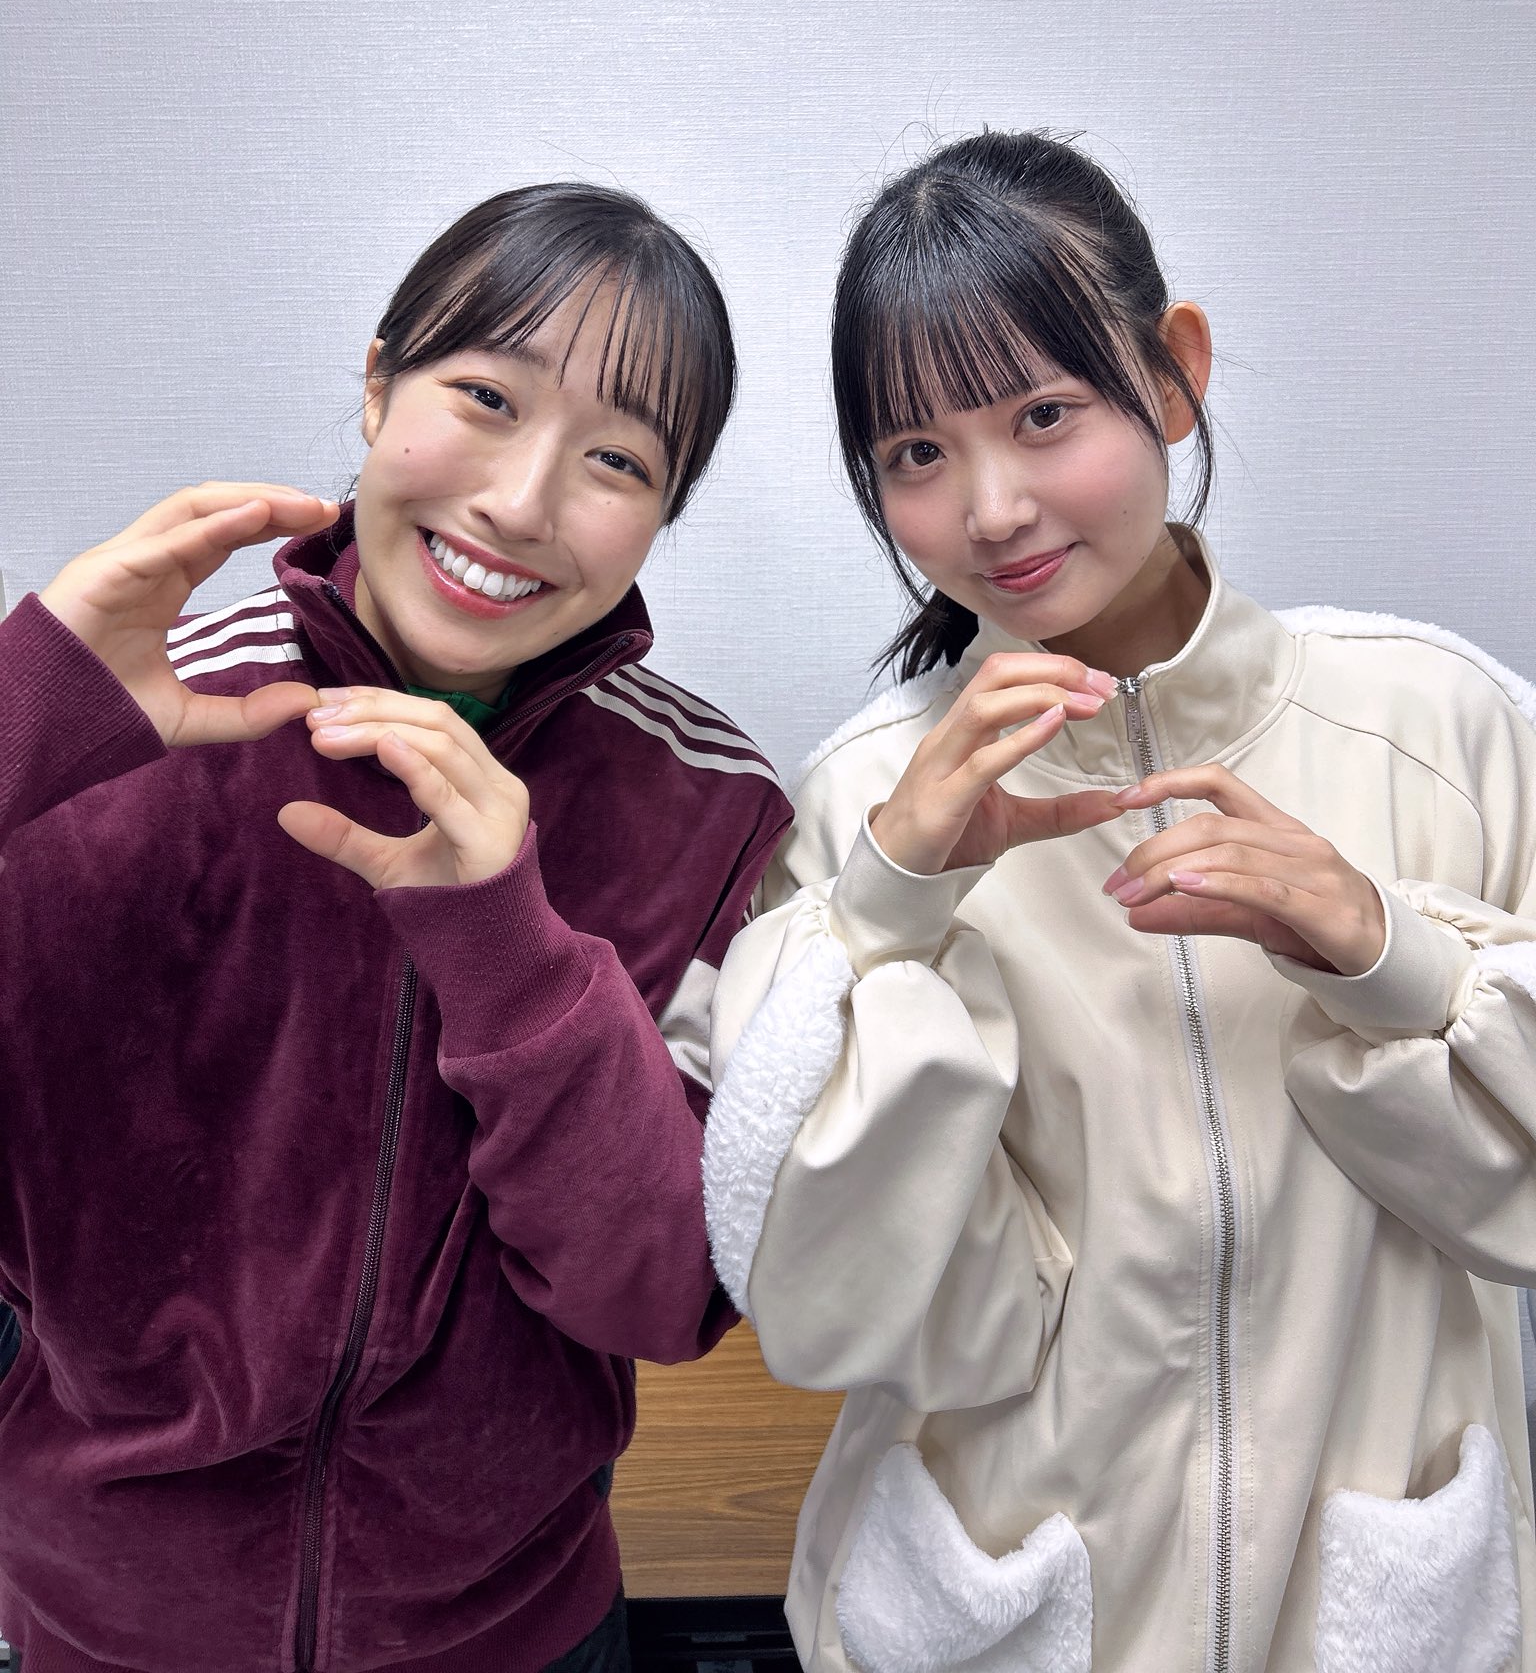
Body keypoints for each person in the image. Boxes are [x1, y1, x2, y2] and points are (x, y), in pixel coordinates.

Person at [702, 131, 1536, 1673]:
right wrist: (890, 900)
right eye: (918, 454)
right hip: (1014, 1608)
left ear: (1173, 376)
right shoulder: (866, 800)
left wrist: (1390, 957)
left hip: (1370, 1600)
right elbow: (817, 1295)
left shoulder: (1446, 724)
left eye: (1044, 415)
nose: (993, 508)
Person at [0, 184, 791, 1673]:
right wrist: (18, 722)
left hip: (521, 1628)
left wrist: (507, 945)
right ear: (377, 388)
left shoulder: (709, 808)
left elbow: (659, 1294)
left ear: (662, 518)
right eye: (487, 397)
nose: (521, 503)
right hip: (108, 1626)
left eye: (618, 458)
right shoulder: (119, 727)